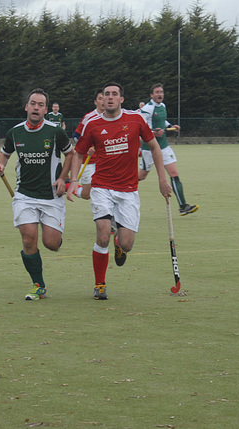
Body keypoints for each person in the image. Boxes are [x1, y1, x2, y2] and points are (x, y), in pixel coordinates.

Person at [67, 82, 173, 300]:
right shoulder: (93, 124)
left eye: (115, 94)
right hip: (102, 187)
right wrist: (74, 180)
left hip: (128, 190)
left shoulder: (135, 119)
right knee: (103, 233)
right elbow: (78, 153)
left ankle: (119, 245)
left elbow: (154, 146)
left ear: (121, 99)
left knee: (127, 243)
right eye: (107, 94)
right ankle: (99, 284)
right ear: (102, 99)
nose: (110, 97)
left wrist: (162, 178)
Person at [0, 88, 74, 300]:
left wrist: (63, 178)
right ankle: (38, 285)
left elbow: (70, 154)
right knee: (29, 238)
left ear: (46, 109)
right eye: (32, 103)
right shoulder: (15, 132)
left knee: (51, 243)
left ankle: (56, 236)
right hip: (24, 194)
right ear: (26, 107)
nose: (36, 107)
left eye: (40, 105)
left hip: (51, 196)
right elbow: (3, 156)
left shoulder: (55, 132)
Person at [139, 83, 198, 216]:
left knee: (173, 173)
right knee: (141, 176)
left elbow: (163, 121)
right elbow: (142, 127)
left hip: (163, 146)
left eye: (161, 92)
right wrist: (153, 133)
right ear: (151, 95)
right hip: (149, 148)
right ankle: (121, 183)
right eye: (157, 92)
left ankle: (183, 206)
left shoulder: (163, 106)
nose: (160, 94)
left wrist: (171, 126)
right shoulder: (147, 109)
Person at [71, 88, 104, 200]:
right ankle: (67, 186)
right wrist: (87, 147)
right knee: (87, 195)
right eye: (100, 98)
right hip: (88, 160)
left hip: (103, 161)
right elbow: (76, 136)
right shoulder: (89, 117)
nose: (103, 101)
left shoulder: (113, 118)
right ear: (96, 102)